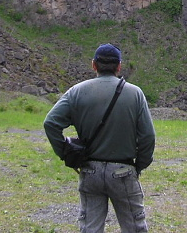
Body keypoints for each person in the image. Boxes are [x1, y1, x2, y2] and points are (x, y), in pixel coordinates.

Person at [44, 43, 156, 233]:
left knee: (90, 228)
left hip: (90, 172)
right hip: (124, 170)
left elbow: (51, 123)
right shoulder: (135, 93)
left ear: (94, 65)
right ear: (119, 66)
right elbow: (148, 136)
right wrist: (139, 165)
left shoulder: (76, 92)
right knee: (135, 228)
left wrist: (66, 154)